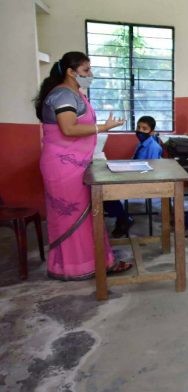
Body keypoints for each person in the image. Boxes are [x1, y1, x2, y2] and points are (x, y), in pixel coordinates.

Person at [34, 51, 130, 280]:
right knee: (72, 216)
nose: (91, 75)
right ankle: (75, 267)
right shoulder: (63, 96)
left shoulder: (74, 94)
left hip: (76, 165)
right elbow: (68, 129)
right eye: (86, 70)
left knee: (89, 215)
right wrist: (102, 128)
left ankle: (97, 262)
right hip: (63, 167)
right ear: (70, 71)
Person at [104, 115, 163, 237]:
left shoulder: (153, 147)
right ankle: (121, 217)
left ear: (151, 132)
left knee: (106, 192)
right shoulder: (141, 143)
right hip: (134, 175)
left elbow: (150, 171)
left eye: (144, 128)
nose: (140, 130)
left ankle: (123, 218)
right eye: (138, 127)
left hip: (143, 181)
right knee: (105, 188)